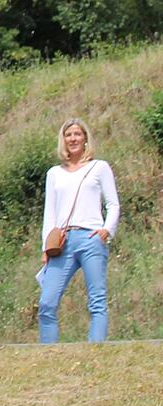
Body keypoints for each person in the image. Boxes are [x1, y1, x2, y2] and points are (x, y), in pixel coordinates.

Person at [39, 118, 120, 343]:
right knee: (47, 302)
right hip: (63, 240)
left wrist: (106, 230)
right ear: (63, 140)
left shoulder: (99, 167)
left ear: (85, 138)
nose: (73, 139)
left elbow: (113, 204)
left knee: (96, 300)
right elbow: (50, 213)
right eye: (68, 135)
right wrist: (46, 246)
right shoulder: (54, 173)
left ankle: (95, 350)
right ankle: (49, 354)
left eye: (77, 134)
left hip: (90, 237)